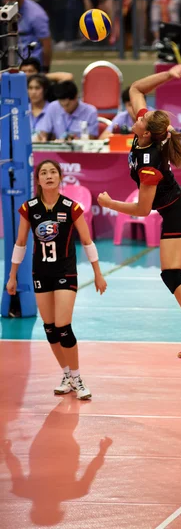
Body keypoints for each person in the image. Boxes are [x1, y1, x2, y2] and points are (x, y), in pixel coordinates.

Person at [97, 62, 181, 362]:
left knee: (171, 273)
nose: (136, 113)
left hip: (176, 211)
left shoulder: (148, 163)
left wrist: (110, 203)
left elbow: (143, 210)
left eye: (141, 118)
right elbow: (136, 89)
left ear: (147, 131)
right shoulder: (147, 130)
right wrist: (168, 75)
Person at [6, 159, 107, 399]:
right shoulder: (29, 208)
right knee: (50, 328)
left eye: (53, 172)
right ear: (38, 180)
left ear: (60, 177)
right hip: (40, 273)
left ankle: (78, 377)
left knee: (63, 326)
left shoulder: (72, 207)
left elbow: (87, 241)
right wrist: (11, 276)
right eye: (44, 172)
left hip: (65, 272)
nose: (49, 175)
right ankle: (67, 375)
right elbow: (20, 243)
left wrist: (98, 273)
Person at [2, 0, 52, 71]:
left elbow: (46, 44)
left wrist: (45, 69)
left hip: (30, 66)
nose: (7, 2)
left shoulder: (36, 14)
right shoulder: (4, 12)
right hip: (11, 64)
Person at [27, 74, 51, 139]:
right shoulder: (21, 110)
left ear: (45, 90)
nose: (33, 92)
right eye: (30, 88)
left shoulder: (53, 110)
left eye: (37, 88)